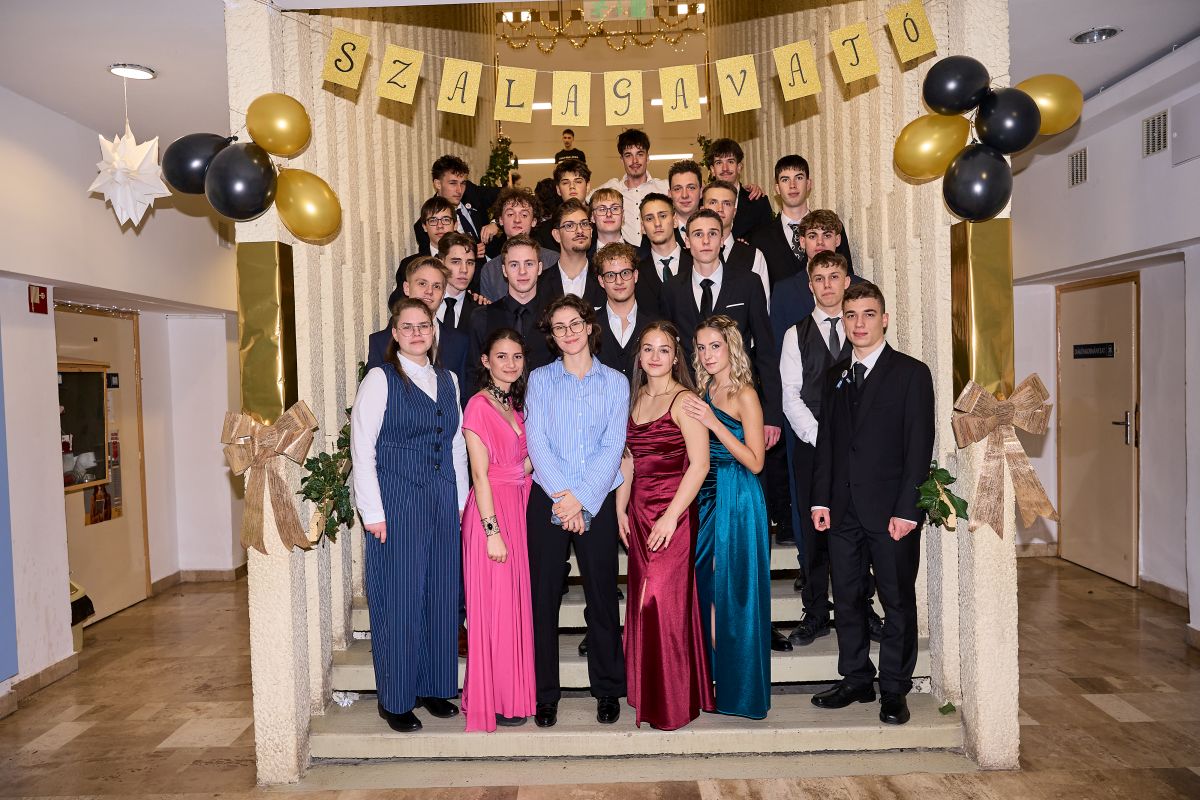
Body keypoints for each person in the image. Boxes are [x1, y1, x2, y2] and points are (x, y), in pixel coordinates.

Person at [810, 281, 934, 727]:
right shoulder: (835, 375)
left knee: (896, 600)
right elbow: (828, 443)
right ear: (843, 322)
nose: (858, 323)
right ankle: (856, 678)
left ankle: (894, 688)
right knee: (846, 597)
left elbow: (918, 446)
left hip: (891, 513)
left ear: (884, 319)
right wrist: (820, 499)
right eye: (850, 315)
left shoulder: (911, 373)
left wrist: (907, 510)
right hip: (842, 511)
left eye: (867, 314)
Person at [351, 297, 469, 733]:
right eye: (408, 326)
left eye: (424, 325)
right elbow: (362, 448)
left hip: (442, 501)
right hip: (397, 504)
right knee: (399, 601)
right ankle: (396, 699)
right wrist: (372, 512)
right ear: (395, 333)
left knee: (441, 596)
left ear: (433, 331)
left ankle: (434, 687)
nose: (417, 333)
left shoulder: (449, 379)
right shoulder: (380, 380)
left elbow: (456, 445)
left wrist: (461, 504)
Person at [524, 295, 629, 728]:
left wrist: (581, 499)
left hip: (597, 499)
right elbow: (537, 440)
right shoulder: (540, 379)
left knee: (602, 598)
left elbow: (613, 445)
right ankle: (545, 694)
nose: (568, 333)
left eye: (574, 324)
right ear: (552, 335)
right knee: (543, 599)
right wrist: (563, 498)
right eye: (559, 327)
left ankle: (607, 689)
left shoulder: (616, 382)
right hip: (548, 497)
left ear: (589, 326)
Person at [616, 321, 713, 730]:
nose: (655, 357)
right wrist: (620, 509)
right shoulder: (635, 397)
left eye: (664, 350)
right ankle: (650, 693)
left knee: (660, 603)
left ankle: (671, 703)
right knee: (644, 604)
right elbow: (628, 460)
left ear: (676, 357)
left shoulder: (685, 400)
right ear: (639, 356)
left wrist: (672, 516)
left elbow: (700, 464)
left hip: (674, 512)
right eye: (648, 349)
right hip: (639, 514)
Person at [681, 314, 771, 719]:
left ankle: (737, 687)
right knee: (706, 587)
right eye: (701, 347)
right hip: (706, 495)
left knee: (731, 590)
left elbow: (756, 461)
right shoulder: (705, 389)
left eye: (714, 346)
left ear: (731, 347)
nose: (707, 354)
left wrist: (714, 422)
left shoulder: (744, 394)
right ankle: (715, 678)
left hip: (737, 495)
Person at [460, 328, 536, 732]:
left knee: (512, 608)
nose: (510, 364)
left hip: (517, 508)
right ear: (486, 361)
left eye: (517, 356)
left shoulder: (513, 404)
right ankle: (495, 699)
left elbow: (521, 463)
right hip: (490, 515)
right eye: (501, 356)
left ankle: (513, 694)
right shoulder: (478, 406)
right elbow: (479, 474)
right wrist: (492, 532)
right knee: (495, 611)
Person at [660, 209, 783, 446]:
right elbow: (669, 350)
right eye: (698, 234)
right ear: (687, 241)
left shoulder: (748, 283)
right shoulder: (671, 290)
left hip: (738, 403)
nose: (706, 241)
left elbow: (766, 350)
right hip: (688, 403)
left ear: (722, 240)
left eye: (713, 233)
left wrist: (772, 414)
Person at [780, 251, 852, 646]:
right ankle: (816, 611)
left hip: (857, 446)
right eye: (819, 278)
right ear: (810, 285)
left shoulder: (861, 327)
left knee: (856, 526)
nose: (827, 285)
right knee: (813, 531)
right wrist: (820, 436)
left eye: (834, 276)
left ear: (846, 281)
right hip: (812, 443)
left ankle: (858, 608)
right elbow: (791, 396)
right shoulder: (796, 334)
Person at [368, 257, 469, 405]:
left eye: (437, 286)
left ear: (443, 294)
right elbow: (372, 401)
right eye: (422, 284)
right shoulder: (380, 341)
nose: (429, 291)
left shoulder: (460, 342)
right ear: (406, 288)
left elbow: (463, 399)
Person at [751, 155, 855, 288]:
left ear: (808, 184)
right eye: (785, 180)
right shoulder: (760, 238)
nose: (792, 185)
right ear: (777, 188)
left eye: (799, 178)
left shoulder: (831, 228)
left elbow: (847, 275)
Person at [469, 235, 555, 381]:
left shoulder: (555, 317)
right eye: (514, 265)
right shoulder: (482, 317)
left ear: (540, 268)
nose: (522, 271)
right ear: (504, 270)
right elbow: (473, 373)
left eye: (529, 264)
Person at [479, 188, 559, 301]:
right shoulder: (490, 270)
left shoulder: (554, 261)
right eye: (510, 214)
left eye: (524, 215)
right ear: (500, 220)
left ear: (534, 221)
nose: (517, 220)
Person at [412, 155, 499, 260]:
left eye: (462, 183)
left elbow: (505, 195)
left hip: (497, 261)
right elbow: (433, 261)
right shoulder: (426, 226)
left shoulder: (471, 193)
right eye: (453, 183)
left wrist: (495, 222)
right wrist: (468, 254)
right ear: (438, 184)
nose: (459, 190)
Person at [594, 242, 660, 379]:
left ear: (635, 275)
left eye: (625, 273)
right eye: (610, 275)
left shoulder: (656, 324)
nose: (619, 281)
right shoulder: (589, 325)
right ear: (601, 281)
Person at [593, 129, 669, 243]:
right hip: (622, 252)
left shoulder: (664, 188)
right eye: (628, 155)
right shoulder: (611, 189)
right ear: (621, 159)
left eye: (640, 154)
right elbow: (582, 202)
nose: (634, 161)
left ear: (647, 157)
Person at [701, 180, 771, 302]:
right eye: (713, 202)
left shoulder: (754, 256)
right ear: (702, 209)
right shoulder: (689, 255)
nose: (720, 209)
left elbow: (761, 307)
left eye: (726, 203)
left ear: (734, 212)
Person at [539, 198, 605, 307]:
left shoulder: (605, 278)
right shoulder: (540, 283)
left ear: (591, 231)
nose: (580, 231)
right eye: (569, 225)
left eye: (584, 224)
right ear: (557, 235)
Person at [706, 138, 773, 239]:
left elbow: (767, 240)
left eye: (730, 162)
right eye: (719, 162)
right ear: (712, 170)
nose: (725, 168)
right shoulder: (702, 203)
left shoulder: (759, 203)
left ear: (739, 167)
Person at [533, 159, 591, 253]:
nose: (572, 186)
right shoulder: (544, 232)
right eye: (565, 183)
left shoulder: (601, 223)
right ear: (558, 190)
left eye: (578, 181)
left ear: (587, 186)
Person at [636, 193, 687, 297]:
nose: (657, 223)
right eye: (649, 218)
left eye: (663, 216)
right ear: (643, 228)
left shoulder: (696, 261)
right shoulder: (636, 271)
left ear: (675, 221)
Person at [436, 232, 481, 331]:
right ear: (441, 264)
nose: (464, 270)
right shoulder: (424, 304)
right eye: (456, 262)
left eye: (470, 263)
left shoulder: (482, 311)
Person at [400, 196, 456, 274]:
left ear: (455, 225)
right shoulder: (408, 266)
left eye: (446, 219)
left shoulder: (469, 262)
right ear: (424, 227)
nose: (440, 226)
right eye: (433, 220)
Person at [666, 159, 704, 246]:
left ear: (701, 192)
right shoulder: (661, 232)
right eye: (677, 189)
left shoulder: (715, 228)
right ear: (669, 194)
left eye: (691, 188)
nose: (684, 195)